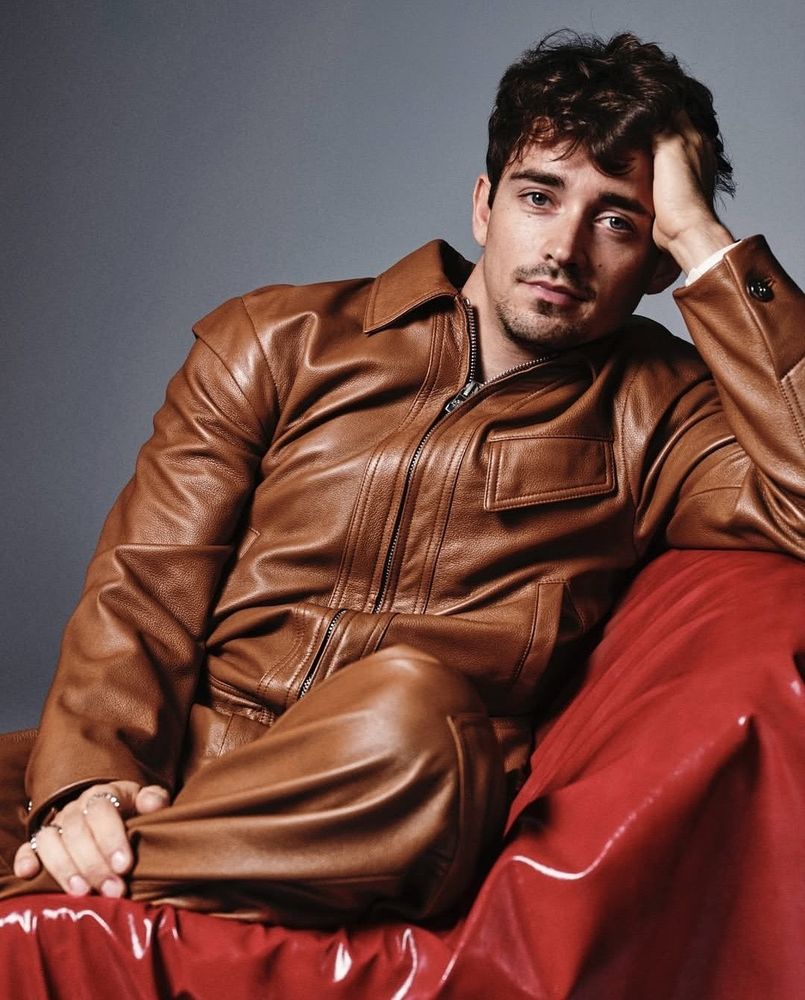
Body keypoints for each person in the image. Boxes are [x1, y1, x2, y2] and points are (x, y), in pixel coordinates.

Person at [0, 30, 802, 926]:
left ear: (657, 263)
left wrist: (705, 239)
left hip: (390, 793)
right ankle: (136, 866)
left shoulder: (663, 415)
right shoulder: (278, 338)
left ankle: (60, 892)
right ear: (484, 206)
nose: (564, 249)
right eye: (539, 197)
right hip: (190, 770)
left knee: (412, 709)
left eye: (618, 220)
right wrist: (91, 784)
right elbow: (145, 585)